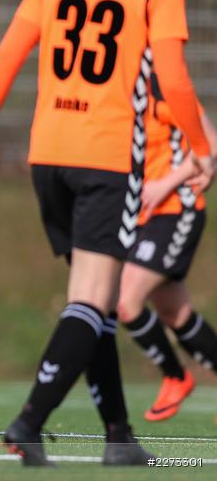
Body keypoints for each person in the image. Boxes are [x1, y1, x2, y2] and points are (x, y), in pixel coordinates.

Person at [0, 0, 213, 466]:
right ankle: (29, 422)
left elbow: (8, 52)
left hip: (48, 154)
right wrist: (200, 149)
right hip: (106, 158)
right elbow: (174, 80)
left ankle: (118, 437)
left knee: (89, 300)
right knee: (94, 301)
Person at [117, 95, 217, 422]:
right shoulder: (119, 93)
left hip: (176, 210)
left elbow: (210, 143)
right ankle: (176, 376)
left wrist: (165, 184)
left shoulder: (163, 89)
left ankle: (175, 376)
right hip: (146, 217)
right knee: (175, 313)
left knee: (126, 302)